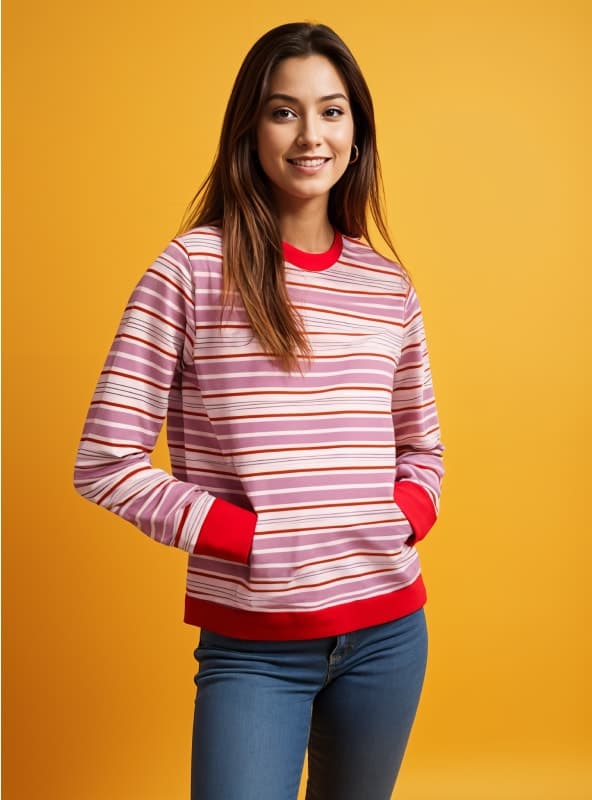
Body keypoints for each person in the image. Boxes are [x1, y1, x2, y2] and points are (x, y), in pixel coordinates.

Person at [74, 21, 444, 800]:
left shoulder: (388, 287)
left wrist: (403, 516)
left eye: (332, 111)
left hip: (388, 632)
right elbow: (105, 462)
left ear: (357, 129)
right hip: (256, 646)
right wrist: (249, 538)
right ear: (250, 127)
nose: (311, 135)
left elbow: (425, 450)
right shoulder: (192, 270)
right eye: (284, 111)